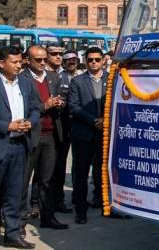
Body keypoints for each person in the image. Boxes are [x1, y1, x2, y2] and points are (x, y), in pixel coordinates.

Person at [0, 46, 41, 250]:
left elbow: (36, 107)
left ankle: (12, 234)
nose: (18, 65)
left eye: (20, 61)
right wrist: (8, 126)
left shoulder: (25, 82)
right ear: (1, 63)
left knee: (15, 195)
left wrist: (30, 121)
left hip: (20, 146)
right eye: (14, 62)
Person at [19, 45, 68, 230]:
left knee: (47, 180)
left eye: (43, 59)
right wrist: (44, 106)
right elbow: (22, 107)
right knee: (23, 181)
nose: (42, 63)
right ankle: (20, 222)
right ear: (28, 60)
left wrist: (59, 103)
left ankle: (48, 217)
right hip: (31, 135)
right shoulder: (22, 79)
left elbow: (60, 98)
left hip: (51, 135)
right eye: (37, 60)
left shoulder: (53, 77)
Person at [67, 47, 108, 224]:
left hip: (104, 134)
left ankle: (104, 203)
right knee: (81, 173)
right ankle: (80, 209)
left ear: (103, 60)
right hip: (84, 134)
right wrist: (94, 121)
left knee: (103, 172)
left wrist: (105, 120)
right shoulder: (77, 81)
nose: (93, 63)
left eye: (97, 59)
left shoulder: (112, 78)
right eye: (90, 59)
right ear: (85, 60)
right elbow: (74, 107)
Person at [52, 51, 80, 214]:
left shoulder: (83, 76)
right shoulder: (58, 78)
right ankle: (58, 199)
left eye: (74, 60)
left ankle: (78, 196)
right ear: (63, 63)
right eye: (68, 60)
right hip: (62, 126)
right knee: (59, 163)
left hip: (79, 126)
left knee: (79, 163)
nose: (71, 62)